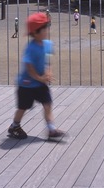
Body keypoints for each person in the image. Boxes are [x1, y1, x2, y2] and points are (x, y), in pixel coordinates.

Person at [7, 12, 65, 141]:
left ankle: (51, 129)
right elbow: (29, 67)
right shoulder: (30, 48)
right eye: (45, 28)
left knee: (47, 104)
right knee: (23, 108)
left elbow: (48, 59)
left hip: (40, 83)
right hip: (26, 84)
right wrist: (40, 78)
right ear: (36, 32)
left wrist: (48, 72)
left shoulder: (48, 44)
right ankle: (14, 126)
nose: (47, 30)